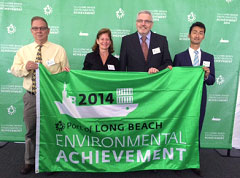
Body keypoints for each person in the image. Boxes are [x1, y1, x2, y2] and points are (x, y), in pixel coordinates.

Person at [11, 16, 70, 174]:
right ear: (31, 30)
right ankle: (29, 161)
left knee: (51, 129)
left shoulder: (59, 50)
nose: (39, 31)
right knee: (31, 130)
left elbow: (66, 75)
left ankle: (50, 161)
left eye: (42, 28)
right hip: (32, 96)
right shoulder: (24, 51)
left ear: (48, 30)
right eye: (36, 28)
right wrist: (25, 67)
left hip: (51, 97)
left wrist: (66, 74)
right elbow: (15, 70)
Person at [173, 21, 215, 176]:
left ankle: (194, 161)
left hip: (200, 99)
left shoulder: (209, 57)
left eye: (201, 32)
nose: (197, 35)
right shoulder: (179, 57)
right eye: (195, 32)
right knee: (180, 128)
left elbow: (212, 81)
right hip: (183, 100)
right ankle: (178, 160)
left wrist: (206, 75)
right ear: (189, 35)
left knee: (196, 129)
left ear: (204, 36)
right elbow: (174, 80)